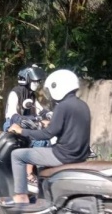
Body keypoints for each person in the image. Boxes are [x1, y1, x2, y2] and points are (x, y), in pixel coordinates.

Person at [5, 69, 91, 206]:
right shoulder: (82, 105)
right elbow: (66, 127)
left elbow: (47, 134)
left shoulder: (63, 106)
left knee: (17, 155)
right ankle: (43, 196)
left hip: (63, 155)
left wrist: (22, 131)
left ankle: (21, 196)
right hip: (79, 154)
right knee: (43, 154)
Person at [4, 64, 50, 193]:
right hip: (12, 124)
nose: (37, 83)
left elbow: (39, 109)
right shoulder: (15, 92)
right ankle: (29, 175)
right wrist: (26, 120)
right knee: (37, 139)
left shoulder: (31, 94)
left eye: (38, 81)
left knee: (45, 137)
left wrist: (49, 114)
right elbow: (12, 114)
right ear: (27, 79)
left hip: (26, 122)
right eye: (35, 81)